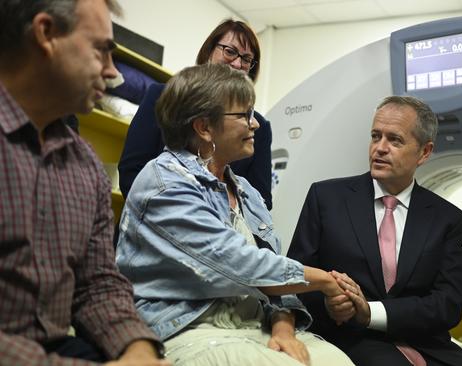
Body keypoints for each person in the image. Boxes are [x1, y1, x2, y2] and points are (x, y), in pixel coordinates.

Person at [115, 63, 355, 366]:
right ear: (204, 127)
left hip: (253, 325)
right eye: (244, 115)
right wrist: (324, 280)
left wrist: (283, 328)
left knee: (340, 362)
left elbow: (274, 276)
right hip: (188, 330)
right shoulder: (164, 181)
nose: (255, 124)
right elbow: (241, 264)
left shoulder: (247, 193)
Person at [0, 0, 168, 365]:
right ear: (46, 34)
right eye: (101, 51)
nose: (112, 73)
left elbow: (99, 283)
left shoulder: (85, 165)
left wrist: (138, 349)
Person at [287, 96, 462, 366]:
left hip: (424, 342)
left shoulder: (447, 219)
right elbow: (295, 278)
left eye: (395, 140)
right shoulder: (327, 198)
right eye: (376, 136)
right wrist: (329, 303)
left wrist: (370, 312)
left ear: (424, 152)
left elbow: (448, 304)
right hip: (348, 339)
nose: (380, 148)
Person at [118, 19, 273, 210]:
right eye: (230, 51)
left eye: (247, 59)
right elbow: (131, 172)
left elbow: (260, 201)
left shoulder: (257, 126)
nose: (237, 63)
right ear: (208, 52)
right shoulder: (163, 97)